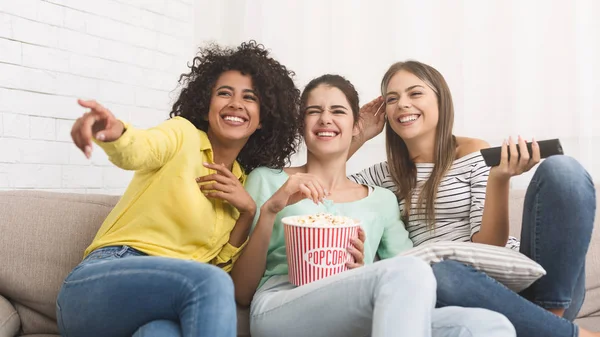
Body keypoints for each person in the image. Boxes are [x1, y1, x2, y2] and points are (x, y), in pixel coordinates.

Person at [231, 74, 516, 337]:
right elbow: (242, 292)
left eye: (338, 111)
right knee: (408, 271)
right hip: (281, 303)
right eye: (314, 111)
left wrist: (364, 272)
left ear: (356, 126)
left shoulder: (381, 199)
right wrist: (270, 210)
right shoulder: (268, 180)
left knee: (488, 325)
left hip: (350, 302)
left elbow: (410, 276)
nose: (325, 119)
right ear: (301, 124)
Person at [56, 41, 302, 337]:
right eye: (224, 93)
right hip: (101, 285)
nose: (236, 103)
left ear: (264, 119)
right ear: (205, 104)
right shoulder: (182, 134)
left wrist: (248, 212)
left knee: (163, 333)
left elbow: (220, 272)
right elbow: (140, 149)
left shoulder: (242, 183)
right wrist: (113, 131)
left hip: (163, 304)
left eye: (249, 98)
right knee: (210, 282)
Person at [351, 60, 597, 337]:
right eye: (392, 99)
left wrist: (498, 179)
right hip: (463, 289)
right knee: (439, 274)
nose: (402, 104)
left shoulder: (474, 152)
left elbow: (491, 246)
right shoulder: (385, 174)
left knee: (564, 171)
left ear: (441, 101)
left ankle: (549, 322)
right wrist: (358, 136)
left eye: (415, 93)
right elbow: (325, 184)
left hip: (533, 287)